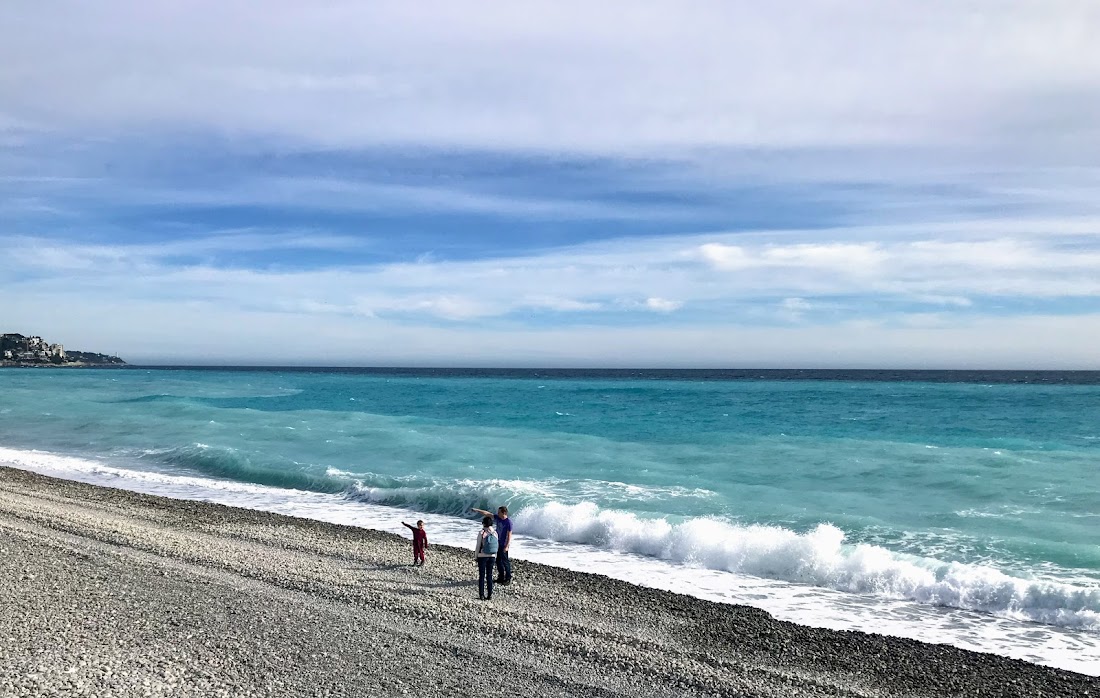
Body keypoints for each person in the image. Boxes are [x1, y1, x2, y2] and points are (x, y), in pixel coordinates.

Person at [470, 505, 512, 585]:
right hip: (497, 543)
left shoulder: (508, 522)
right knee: (498, 561)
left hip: (503, 544)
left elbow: (509, 535)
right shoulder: (498, 518)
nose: (497, 513)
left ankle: (508, 578)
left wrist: (507, 546)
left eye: (499, 512)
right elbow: (487, 514)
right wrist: (477, 510)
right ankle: (501, 577)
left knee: (505, 561)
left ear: (504, 513)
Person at [474, 515, 498, 600]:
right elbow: (496, 546)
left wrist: (476, 556)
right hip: (492, 556)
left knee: (481, 576)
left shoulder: (482, 533)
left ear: (484, 524)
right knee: (489, 575)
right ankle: (490, 594)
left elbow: (478, 546)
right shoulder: (495, 533)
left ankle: (481, 595)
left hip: (482, 556)